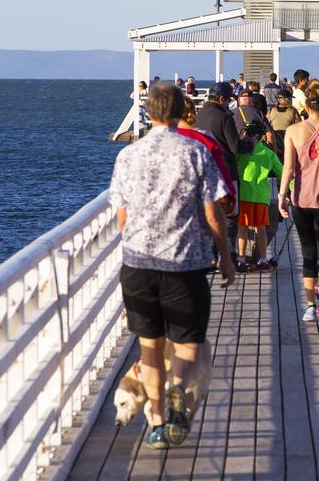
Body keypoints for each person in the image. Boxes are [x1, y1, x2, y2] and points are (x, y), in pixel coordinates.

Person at [107, 85, 234, 450]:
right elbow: (214, 212)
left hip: (138, 265)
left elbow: (122, 216)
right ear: (181, 112)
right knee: (187, 342)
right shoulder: (196, 151)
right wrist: (225, 256)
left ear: (148, 113)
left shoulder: (129, 155)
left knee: (150, 347)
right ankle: (178, 389)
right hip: (185, 263)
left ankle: (158, 423)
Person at [278, 86, 319, 323]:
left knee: (307, 253)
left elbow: (288, 168)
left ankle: (311, 306)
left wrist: (282, 195)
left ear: (305, 106)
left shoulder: (293, 131)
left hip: (300, 200)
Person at [195, 81, 258, 263]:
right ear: (221, 99)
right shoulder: (224, 118)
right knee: (229, 217)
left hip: (205, 172)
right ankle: (228, 257)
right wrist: (251, 141)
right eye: (228, 100)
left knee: (209, 215)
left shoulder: (199, 116)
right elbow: (235, 146)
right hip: (226, 173)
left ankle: (211, 256)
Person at [235, 121, 282, 272]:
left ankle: (241, 260)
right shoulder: (268, 154)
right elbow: (282, 172)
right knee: (260, 228)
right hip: (261, 196)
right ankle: (262, 259)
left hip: (243, 194)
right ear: (261, 137)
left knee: (241, 228)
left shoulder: (240, 153)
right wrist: (292, 188)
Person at [267, 90, 301, 156]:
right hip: (288, 139)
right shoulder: (293, 111)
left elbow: (266, 125)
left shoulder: (271, 110)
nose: (291, 100)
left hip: (274, 141)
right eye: (290, 98)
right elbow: (299, 125)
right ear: (285, 99)